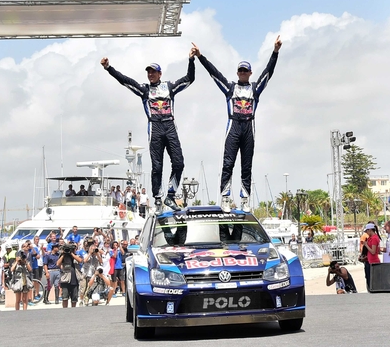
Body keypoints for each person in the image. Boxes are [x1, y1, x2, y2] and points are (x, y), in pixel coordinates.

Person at [191, 36, 282, 212]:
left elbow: (268, 73)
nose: (242, 73)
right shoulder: (230, 88)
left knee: (246, 166)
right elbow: (214, 73)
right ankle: (225, 197)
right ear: (237, 72)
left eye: (245, 71)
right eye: (240, 70)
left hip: (249, 127)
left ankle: (245, 198)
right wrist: (200, 56)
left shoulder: (255, 88)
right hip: (233, 127)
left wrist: (275, 52)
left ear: (250, 73)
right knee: (228, 163)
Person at [101, 51, 196, 213]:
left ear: (160, 74)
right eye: (148, 72)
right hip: (155, 128)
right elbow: (125, 81)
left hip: (170, 126)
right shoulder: (144, 90)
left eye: (153, 72)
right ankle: (158, 198)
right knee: (157, 166)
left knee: (179, 163)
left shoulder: (169, 86)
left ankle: (170, 195)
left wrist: (191, 60)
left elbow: (189, 78)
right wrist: (108, 68)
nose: (150, 74)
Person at [56, 242, 83, 309]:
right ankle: (65, 310)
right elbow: (58, 264)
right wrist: (63, 254)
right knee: (65, 297)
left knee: (74, 298)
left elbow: (80, 260)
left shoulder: (77, 255)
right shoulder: (63, 256)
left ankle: (73, 311)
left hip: (75, 279)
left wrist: (71, 253)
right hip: (65, 279)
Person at [361, 223, 381, 290]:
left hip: (373, 261)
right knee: (369, 279)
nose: (366, 232)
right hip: (369, 260)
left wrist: (366, 245)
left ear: (370, 230)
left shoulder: (374, 238)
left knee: (373, 280)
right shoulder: (370, 238)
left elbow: (373, 251)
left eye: (367, 231)